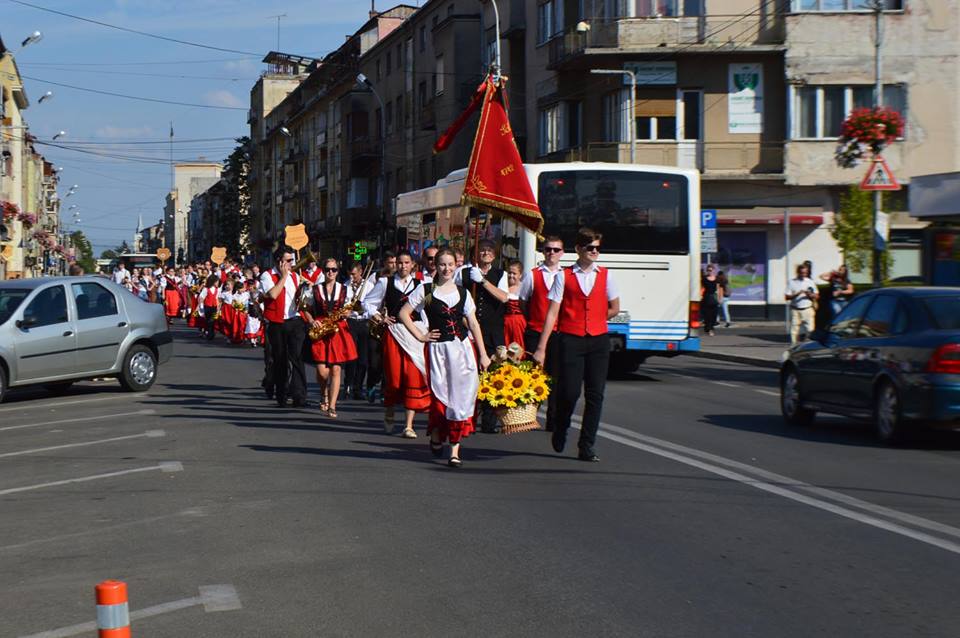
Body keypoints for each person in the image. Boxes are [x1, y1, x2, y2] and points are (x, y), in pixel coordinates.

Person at [534, 228, 620, 463]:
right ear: (578, 249)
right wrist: (541, 347)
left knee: (595, 395)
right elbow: (552, 313)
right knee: (570, 393)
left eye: (597, 248)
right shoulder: (564, 276)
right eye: (590, 248)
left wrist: (595, 320)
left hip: (598, 341)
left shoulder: (606, 275)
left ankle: (586, 446)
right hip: (570, 340)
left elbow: (614, 308)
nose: (594, 252)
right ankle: (561, 427)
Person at [399, 248, 490, 468]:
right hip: (438, 351)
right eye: (442, 264)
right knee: (441, 399)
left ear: (456, 265)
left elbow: (473, 323)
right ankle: (437, 432)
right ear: (436, 266)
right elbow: (403, 313)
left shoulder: (463, 293)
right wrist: (421, 335)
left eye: (450, 264)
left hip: (462, 351)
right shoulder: (426, 290)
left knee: (461, 399)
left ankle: (455, 450)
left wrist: (483, 354)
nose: (447, 268)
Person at [363, 250, 430, 438]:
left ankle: (408, 425)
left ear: (413, 264)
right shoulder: (386, 283)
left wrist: (427, 329)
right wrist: (380, 317)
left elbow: (428, 308)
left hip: (415, 333)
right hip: (394, 333)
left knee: (413, 376)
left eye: (406, 262)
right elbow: (368, 303)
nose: (403, 266)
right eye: (399, 262)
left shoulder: (421, 284)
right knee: (393, 377)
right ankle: (390, 409)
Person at [519, 236, 564, 432]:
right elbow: (523, 301)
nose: (551, 253)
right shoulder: (533, 275)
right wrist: (532, 320)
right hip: (535, 331)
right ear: (543, 252)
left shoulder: (566, 275)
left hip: (559, 333)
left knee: (555, 376)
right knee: (534, 375)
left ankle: (553, 419)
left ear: (562, 253)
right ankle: (529, 416)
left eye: (556, 250)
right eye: (548, 249)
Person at [303, 258, 357, 418]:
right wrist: (312, 321)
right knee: (322, 372)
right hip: (321, 328)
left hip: (338, 330)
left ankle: (332, 406)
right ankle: (323, 393)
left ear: (338, 271)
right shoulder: (315, 289)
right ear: (323, 270)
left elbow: (352, 309)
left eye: (334, 270)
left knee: (336, 369)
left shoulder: (345, 289)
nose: (331, 272)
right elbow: (305, 308)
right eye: (327, 269)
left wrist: (348, 313)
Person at [467, 239, 509, 433]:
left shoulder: (501, 274)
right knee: (471, 375)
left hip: (493, 332)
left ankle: (489, 421)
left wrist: (482, 281)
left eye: (490, 250)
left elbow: (503, 297)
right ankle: (468, 419)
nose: (486, 253)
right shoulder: (465, 273)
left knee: (492, 375)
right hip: (470, 329)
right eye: (482, 250)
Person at [260, 246, 308, 408]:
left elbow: (299, 298)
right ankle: (281, 393)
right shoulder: (267, 275)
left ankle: (299, 395)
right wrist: (284, 276)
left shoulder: (295, 276)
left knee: (297, 358)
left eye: (292, 260)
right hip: (277, 322)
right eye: (288, 260)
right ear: (279, 261)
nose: (291, 263)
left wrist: (305, 290)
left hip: (295, 321)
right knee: (280, 360)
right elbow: (272, 294)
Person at [345, 262, 374, 400]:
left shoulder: (369, 286)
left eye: (354, 274)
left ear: (361, 272)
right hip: (350, 322)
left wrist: (361, 309)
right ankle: (348, 384)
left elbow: (372, 306)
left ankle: (358, 388)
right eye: (350, 274)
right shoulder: (345, 286)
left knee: (363, 359)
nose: (352, 277)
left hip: (363, 322)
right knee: (351, 357)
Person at [786, 262, 819, 345]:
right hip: (795, 309)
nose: (803, 275)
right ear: (798, 272)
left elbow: (817, 295)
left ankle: (807, 344)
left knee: (810, 329)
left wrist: (810, 295)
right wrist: (797, 294)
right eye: (801, 273)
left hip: (807, 308)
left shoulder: (810, 282)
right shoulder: (792, 282)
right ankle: (793, 345)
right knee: (794, 328)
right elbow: (787, 297)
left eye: (805, 273)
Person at [503, 259, 527, 350]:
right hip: (505, 322)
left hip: (519, 323)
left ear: (520, 275)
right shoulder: (503, 286)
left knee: (518, 347)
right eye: (509, 273)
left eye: (514, 273)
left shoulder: (524, 288)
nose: (511, 276)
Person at [196, 274, 221, 341]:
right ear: (213, 281)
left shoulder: (217, 290)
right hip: (207, 307)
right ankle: (208, 332)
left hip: (214, 307)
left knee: (212, 320)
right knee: (208, 320)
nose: (218, 283)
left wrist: (218, 307)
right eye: (217, 282)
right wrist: (199, 305)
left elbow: (217, 299)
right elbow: (201, 297)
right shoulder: (206, 289)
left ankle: (210, 333)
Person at [700, 265, 722, 336]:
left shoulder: (717, 279)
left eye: (711, 270)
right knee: (707, 315)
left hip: (714, 298)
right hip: (706, 298)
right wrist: (700, 296)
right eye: (708, 270)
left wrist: (719, 299)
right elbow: (701, 288)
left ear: (714, 270)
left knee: (714, 315)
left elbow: (719, 289)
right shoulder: (704, 279)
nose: (709, 272)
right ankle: (709, 329)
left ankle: (710, 328)